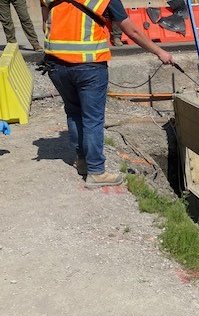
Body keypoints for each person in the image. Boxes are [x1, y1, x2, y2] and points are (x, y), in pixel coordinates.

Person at [40, 0, 173, 187]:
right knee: (92, 119)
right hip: (89, 66)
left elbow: (46, 24)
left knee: (73, 111)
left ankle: (83, 162)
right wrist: (160, 52)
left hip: (56, 65)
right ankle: (96, 171)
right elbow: (132, 31)